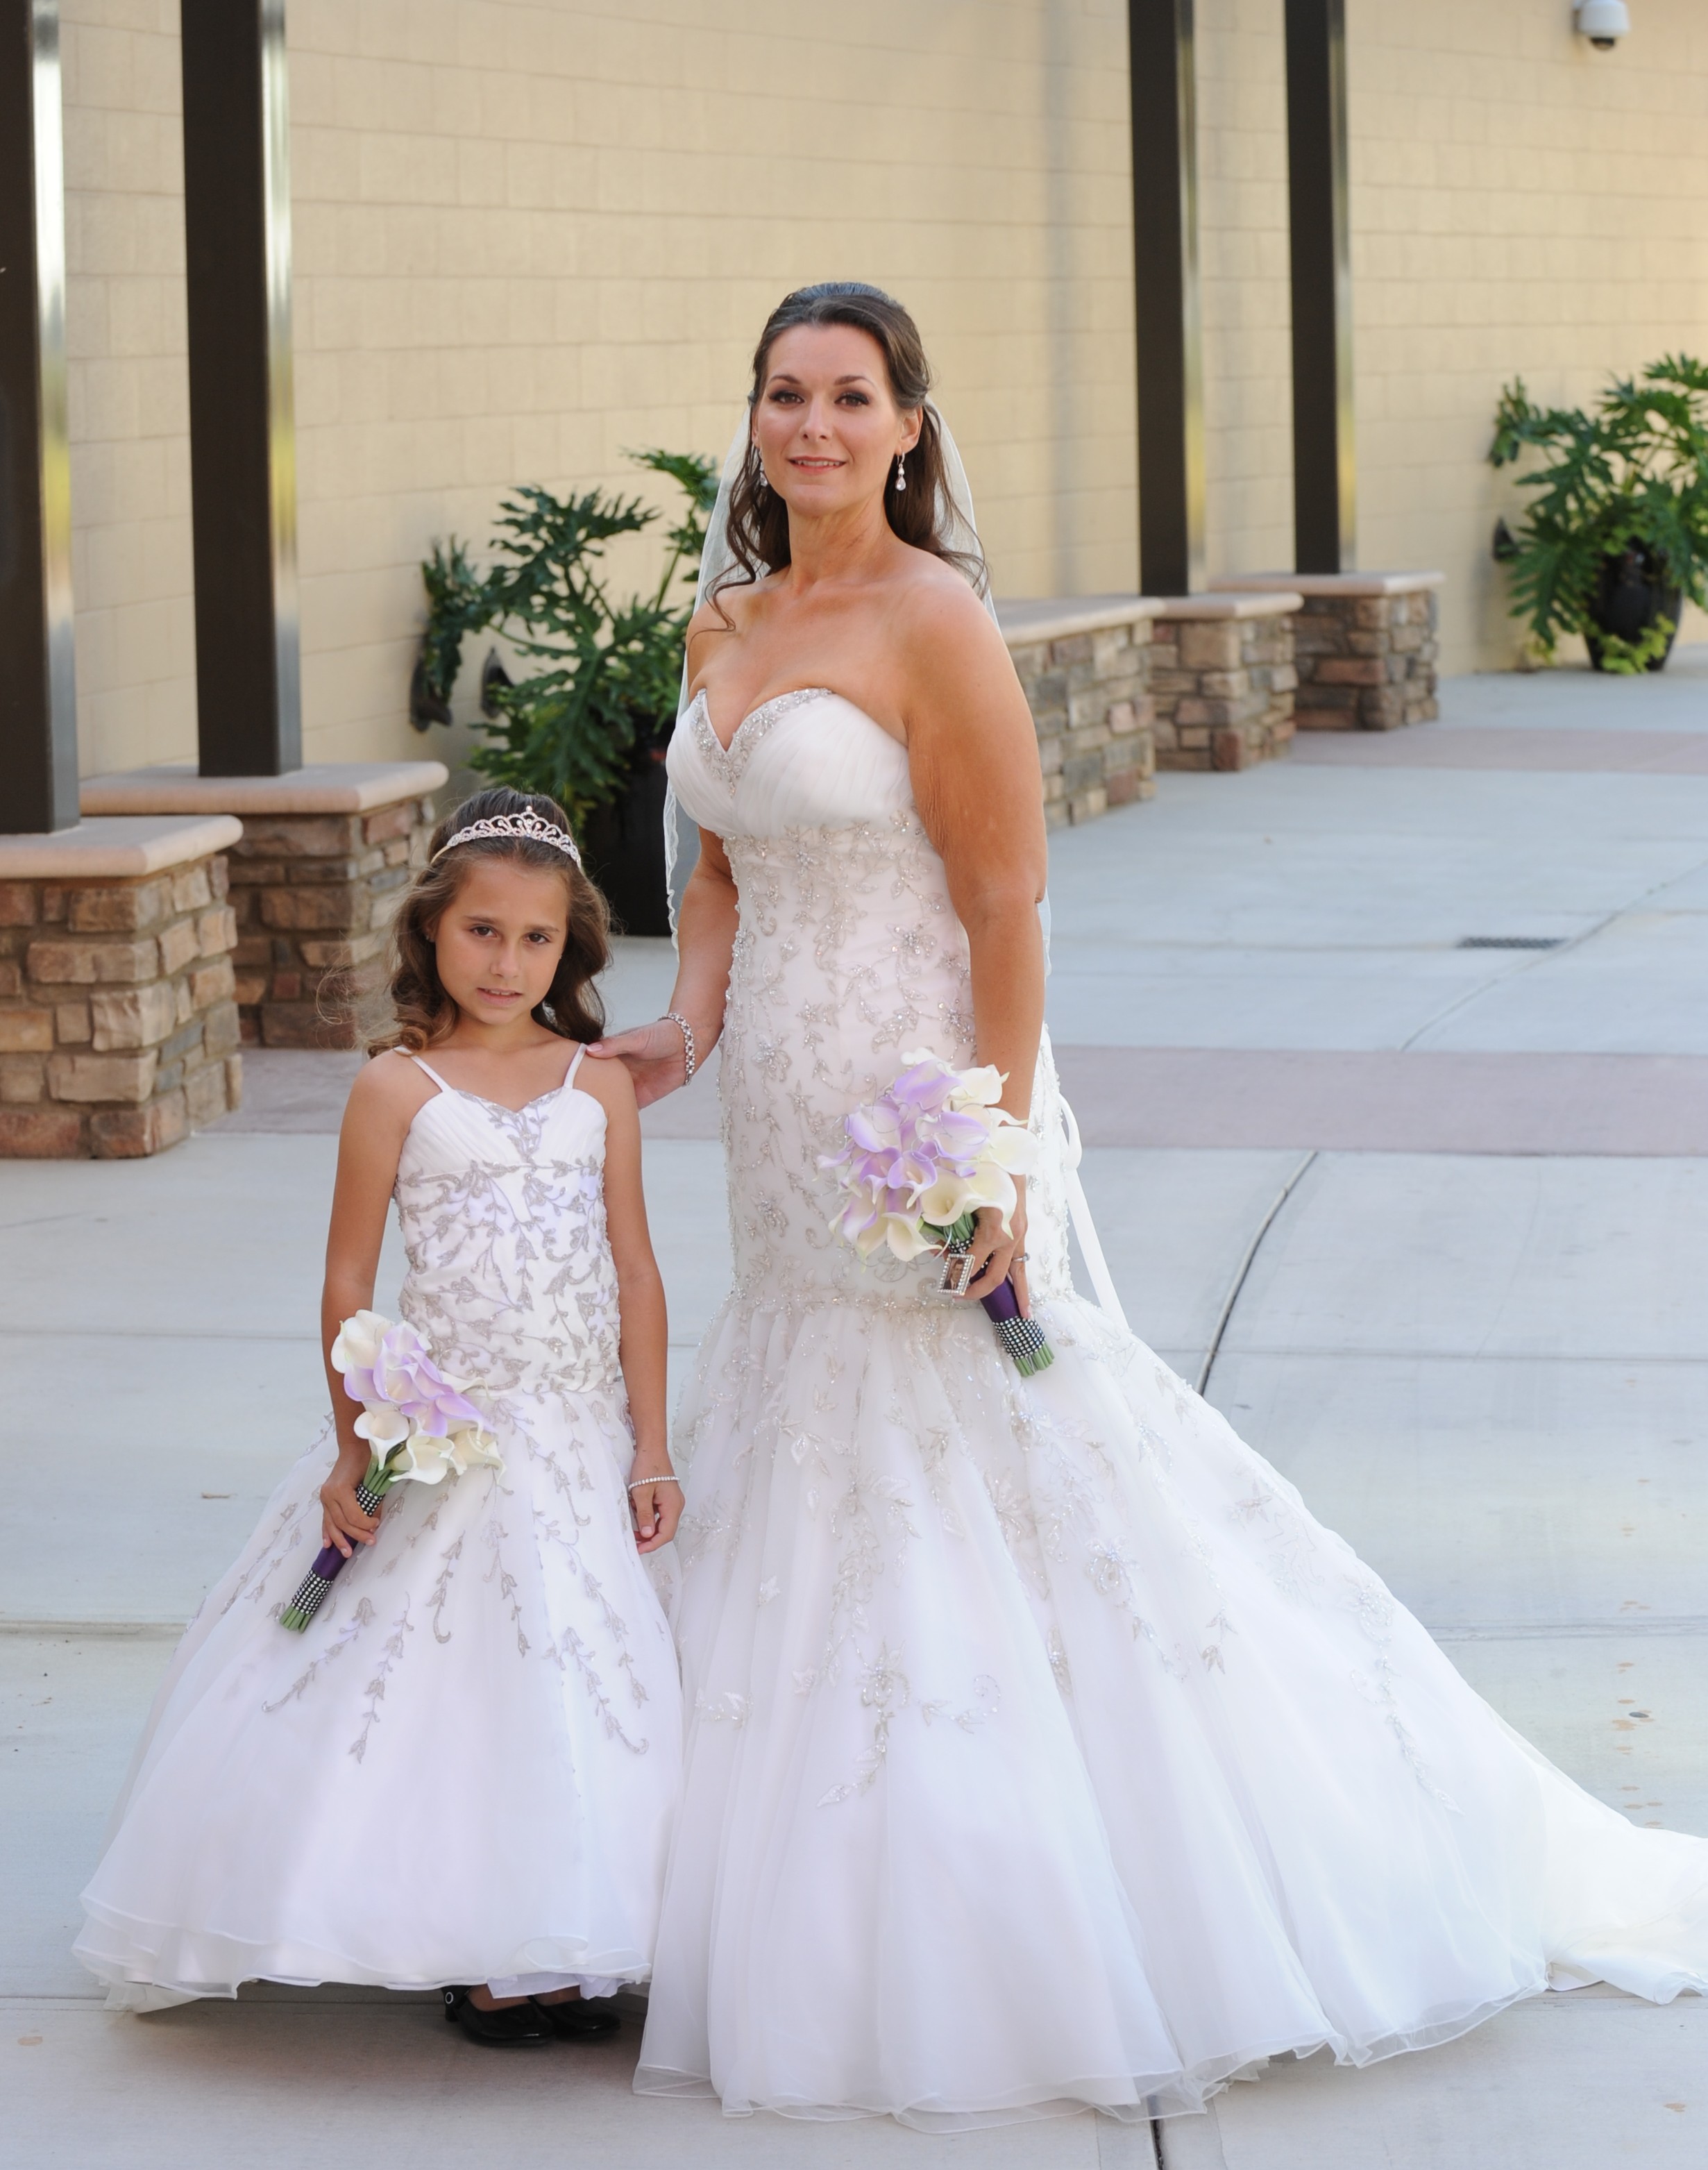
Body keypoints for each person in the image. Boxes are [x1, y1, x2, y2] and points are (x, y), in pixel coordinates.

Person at [590, 283, 1708, 2130]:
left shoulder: (934, 621)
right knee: (799, 1423)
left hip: (905, 1094)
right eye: (781, 393)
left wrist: (995, 1146)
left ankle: (1053, 1875)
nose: (807, 424)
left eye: (845, 396)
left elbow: (1009, 900)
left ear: (905, 428)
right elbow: (719, 849)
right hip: (771, 1128)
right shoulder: (726, 613)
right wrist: (689, 1022)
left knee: (990, 1444)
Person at [76, 789, 684, 2047]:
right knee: (454, 1685)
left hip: (574, 1437)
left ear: (569, 947)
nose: (506, 962)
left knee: (579, 1677)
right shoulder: (394, 1087)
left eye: (533, 938)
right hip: (445, 1436)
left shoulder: (599, 1087)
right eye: (481, 931)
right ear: (431, 933)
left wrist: (652, 1441)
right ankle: (481, 1945)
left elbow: (634, 1268)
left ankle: (576, 1937)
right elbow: (349, 1281)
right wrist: (359, 1443)